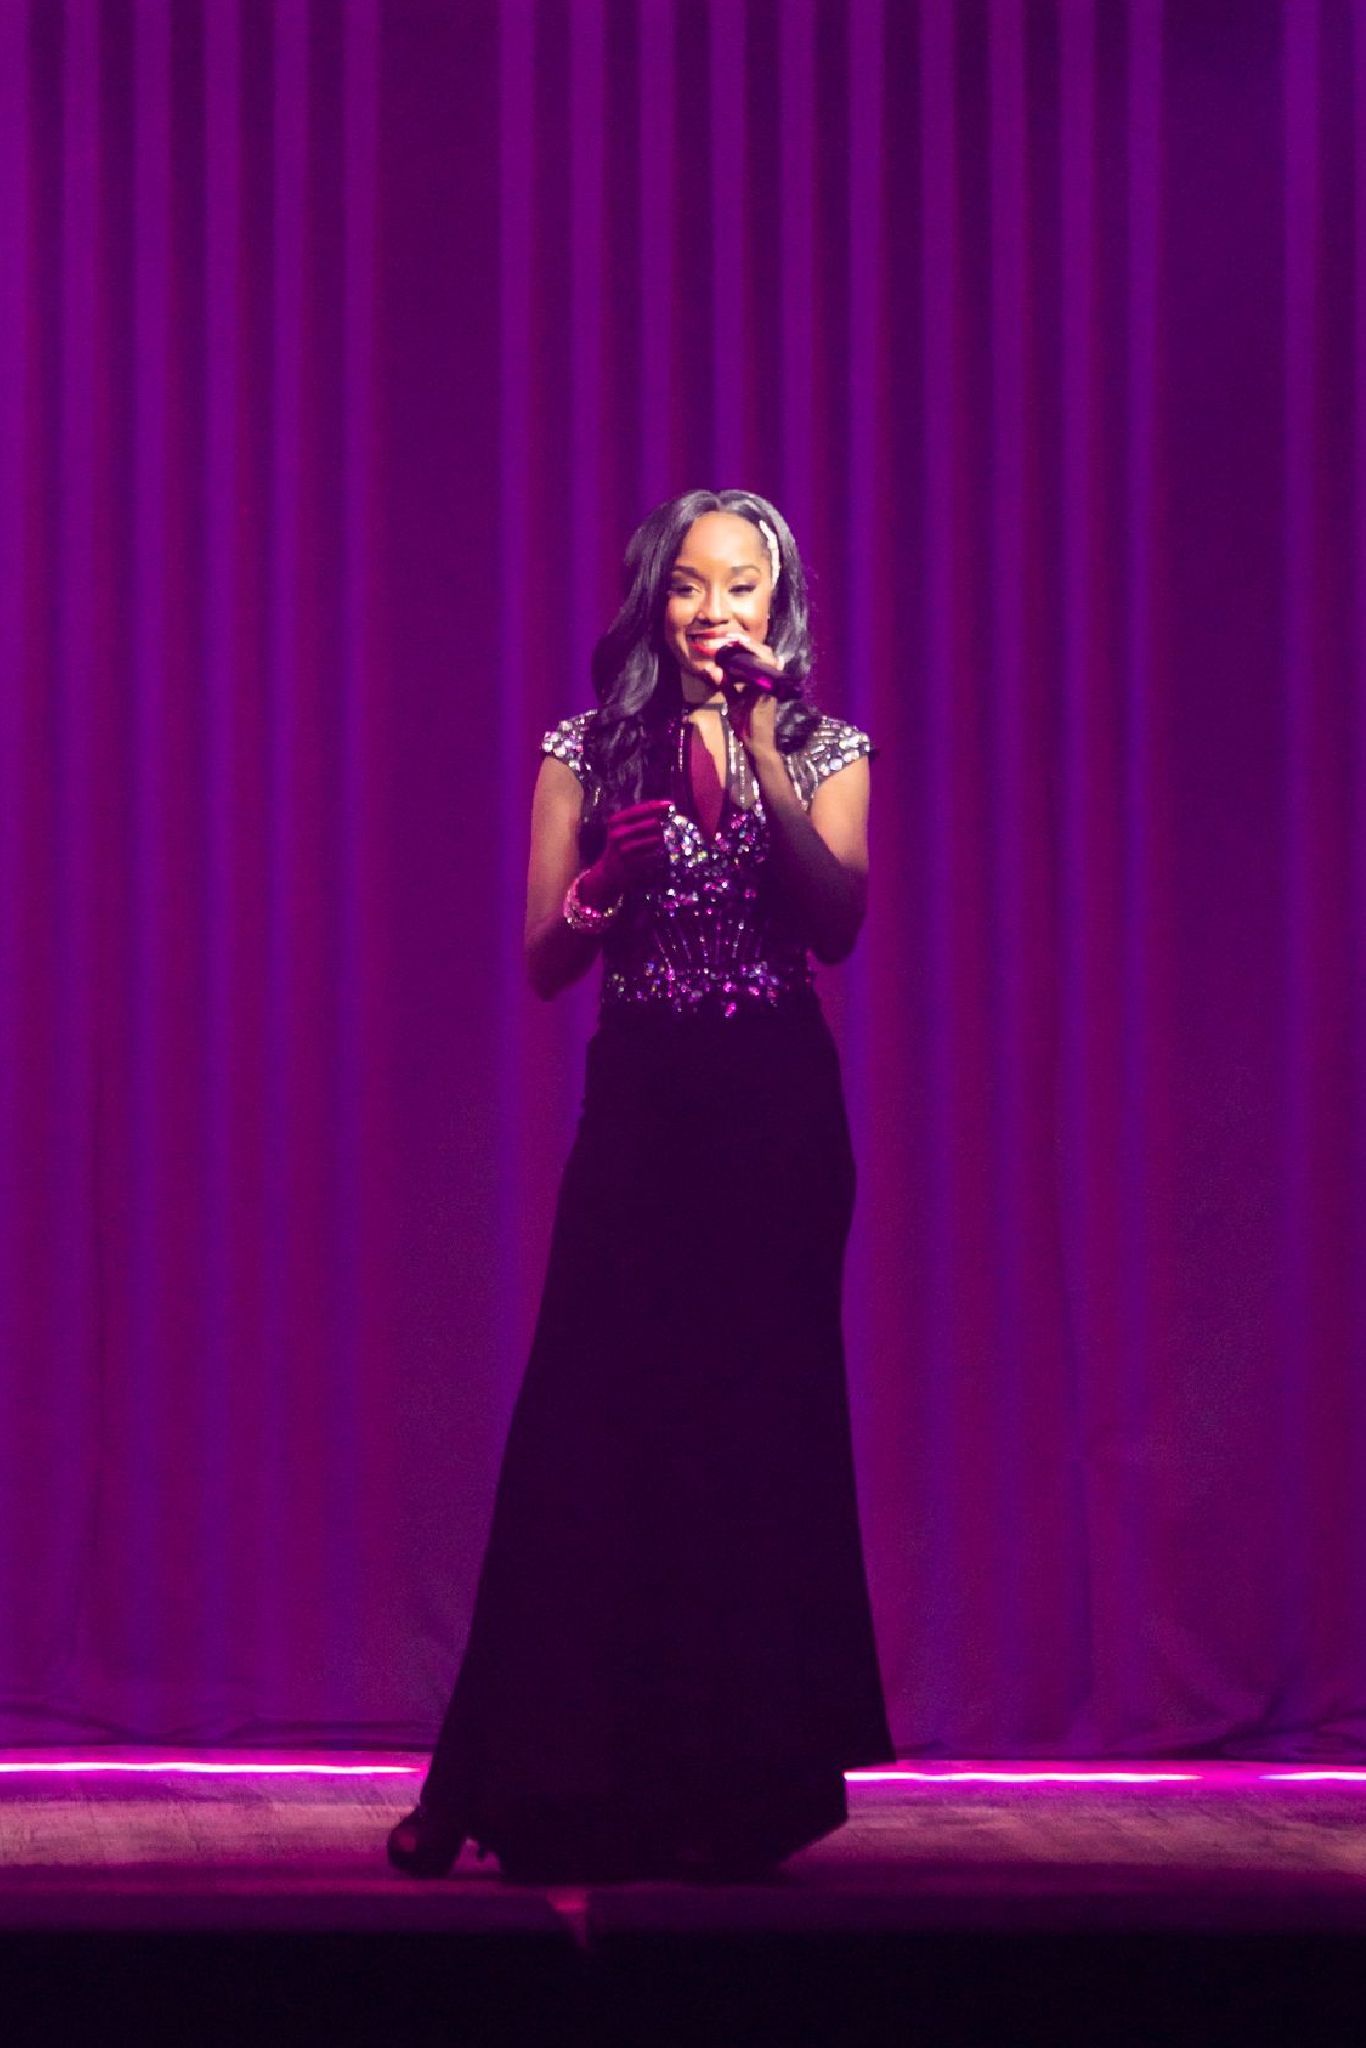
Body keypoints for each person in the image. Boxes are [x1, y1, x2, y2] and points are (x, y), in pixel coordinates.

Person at [387, 487, 894, 1884]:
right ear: (652, 602)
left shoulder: (829, 746)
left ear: (773, 609)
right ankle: (498, 1776)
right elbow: (547, 962)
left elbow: (837, 922)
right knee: (585, 1424)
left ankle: (732, 1791)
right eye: (686, 587)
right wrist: (602, 885)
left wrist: (762, 754)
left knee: (751, 1429)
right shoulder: (585, 749)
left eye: (738, 588)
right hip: (645, 1107)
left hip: (777, 1115)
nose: (711, 612)